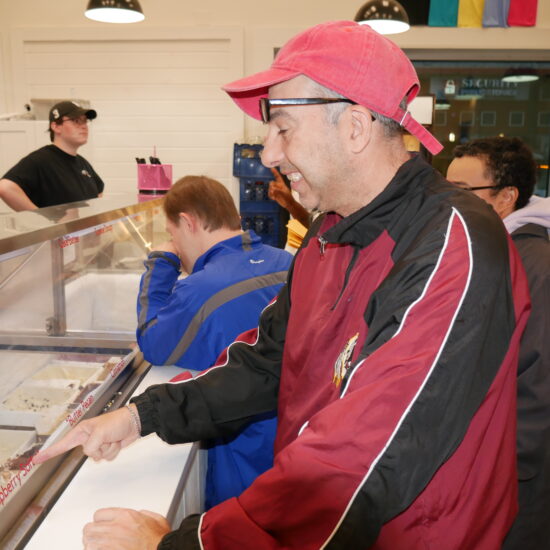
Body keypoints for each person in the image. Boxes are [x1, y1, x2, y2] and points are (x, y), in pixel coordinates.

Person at [36, 21, 530, 550]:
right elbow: (269, 358)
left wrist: (180, 545)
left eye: (284, 129)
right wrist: (142, 415)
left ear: (356, 127)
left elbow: (353, 470)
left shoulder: (452, 241)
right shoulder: (329, 230)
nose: (268, 153)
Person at [136, 174, 292, 508]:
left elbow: (152, 342)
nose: (175, 243)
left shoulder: (201, 289)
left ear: (187, 222)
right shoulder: (290, 262)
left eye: (172, 234)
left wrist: (161, 263)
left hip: (245, 460)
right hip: (297, 447)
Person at [447, 137, 550, 550]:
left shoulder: (533, 266)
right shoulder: (492, 248)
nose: (446, 201)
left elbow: (539, 382)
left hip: (513, 480)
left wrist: (504, 468)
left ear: (506, 197)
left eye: (460, 192)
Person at [0, 100, 104, 211]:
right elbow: (5, 187)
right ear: (56, 126)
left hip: (81, 228)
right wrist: (40, 218)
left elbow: (99, 192)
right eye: (76, 121)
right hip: (59, 229)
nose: (84, 126)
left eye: (85, 121)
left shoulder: (82, 163)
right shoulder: (41, 160)